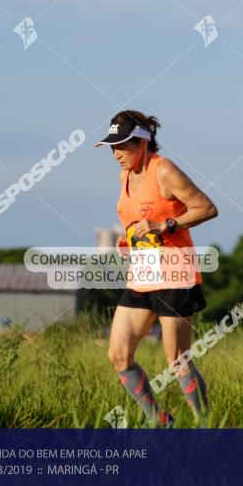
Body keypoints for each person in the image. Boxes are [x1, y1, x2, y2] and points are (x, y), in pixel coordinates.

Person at [97, 110, 218, 427]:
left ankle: (206, 427)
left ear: (142, 143)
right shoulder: (125, 176)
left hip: (175, 274)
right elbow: (138, 223)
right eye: (112, 147)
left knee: (177, 360)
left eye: (121, 146)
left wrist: (165, 225)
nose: (116, 154)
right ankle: (161, 423)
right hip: (142, 275)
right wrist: (130, 240)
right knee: (119, 355)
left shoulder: (163, 171)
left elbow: (206, 207)